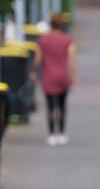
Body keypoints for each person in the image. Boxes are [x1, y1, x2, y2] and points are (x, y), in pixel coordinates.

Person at [32, 13, 76, 146]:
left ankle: (51, 134)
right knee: (62, 106)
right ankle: (61, 133)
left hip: (48, 77)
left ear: (50, 24)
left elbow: (38, 59)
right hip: (63, 76)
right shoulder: (68, 40)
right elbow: (72, 59)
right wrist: (72, 75)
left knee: (51, 106)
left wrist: (33, 72)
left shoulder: (42, 41)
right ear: (62, 24)